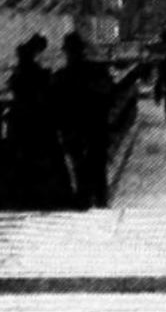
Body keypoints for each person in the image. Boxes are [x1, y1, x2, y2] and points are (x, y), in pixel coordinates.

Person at [0, 34, 74, 210]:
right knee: (45, 158)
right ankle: (49, 196)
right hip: (38, 122)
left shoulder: (20, 73)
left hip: (22, 121)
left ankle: (25, 196)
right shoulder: (39, 73)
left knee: (23, 158)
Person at [51, 31, 111, 209]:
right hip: (95, 125)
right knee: (97, 162)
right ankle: (100, 199)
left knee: (79, 163)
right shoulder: (98, 70)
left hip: (73, 127)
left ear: (66, 52)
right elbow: (108, 94)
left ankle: (84, 198)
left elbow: (55, 103)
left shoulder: (61, 76)